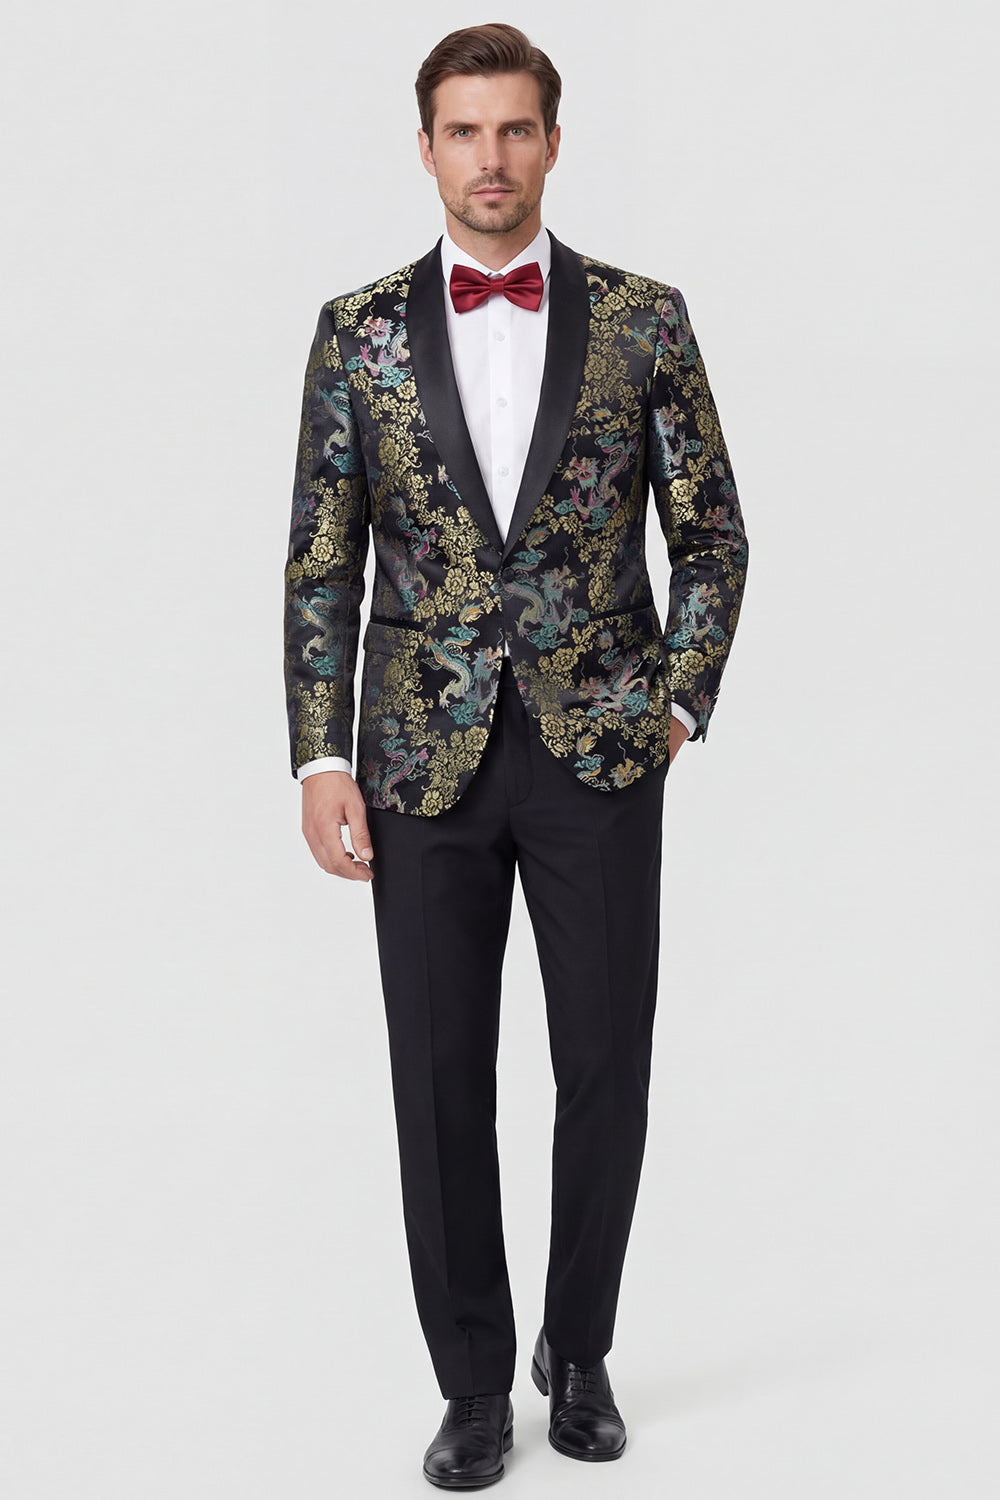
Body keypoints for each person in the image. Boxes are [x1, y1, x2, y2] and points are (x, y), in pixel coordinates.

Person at [282, 21, 748, 1489]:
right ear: (425, 148)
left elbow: (713, 534)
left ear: (553, 141)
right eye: (464, 132)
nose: (491, 159)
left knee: (605, 1064)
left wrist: (676, 703)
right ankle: (474, 1383)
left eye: (515, 130)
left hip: (600, 750)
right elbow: (322, 563)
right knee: (439, 1080)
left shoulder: (646, 321)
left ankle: (582, 1349)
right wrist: (319, 757)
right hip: (417, 759)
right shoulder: (356, 330)